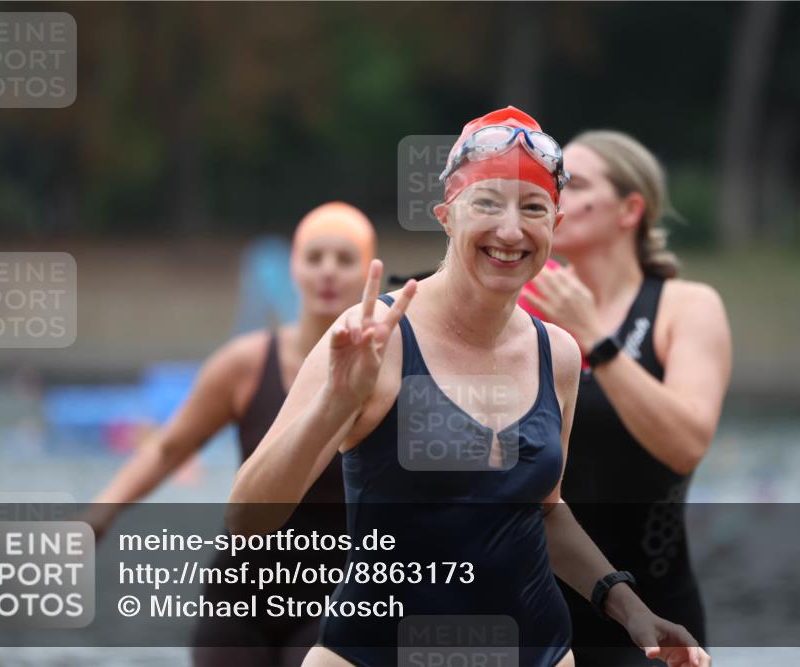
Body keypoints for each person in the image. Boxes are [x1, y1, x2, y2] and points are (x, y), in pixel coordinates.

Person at [228, 107, 712, 667]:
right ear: (446, 216)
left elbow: (545, 510)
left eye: (533, 208)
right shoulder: (373, 339)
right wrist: (335, 401)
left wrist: (631, 610)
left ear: (554, 224)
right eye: (486, 204)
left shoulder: (555, 352)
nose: (510, 231)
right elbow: (245, 519)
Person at [86, 201, 377, 666]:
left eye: (344, 260)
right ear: (294, 268)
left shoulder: (386, 371)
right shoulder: (243, 364)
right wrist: (96, 518)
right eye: (314, 257)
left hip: (336, 595)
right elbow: (168, 447)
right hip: (239, 594)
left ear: (369, 272)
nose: (327, 271)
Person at [519, 130, 732, 664]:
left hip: (655, 614)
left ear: (630, 208)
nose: (556, 197)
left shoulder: (686, 307)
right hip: (532, 608)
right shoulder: (520, 311)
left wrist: (597, 340)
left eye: (576, 184)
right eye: (555, 183)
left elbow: (685, 444)